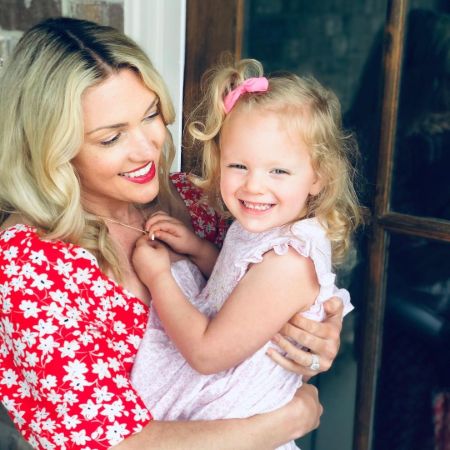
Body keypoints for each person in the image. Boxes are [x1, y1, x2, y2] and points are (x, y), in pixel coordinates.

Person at [0, 17, 345, 450]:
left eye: (150, 116)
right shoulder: (29, 262)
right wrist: (283, 423)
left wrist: (314, 343)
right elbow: (104, 443)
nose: (148, 149)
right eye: (111, 138)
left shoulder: (197, 200)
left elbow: (255, 331)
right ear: (51, 148)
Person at [131, 59, 361, 450]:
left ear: (319, 177)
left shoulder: (289, 261)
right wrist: (198, 249)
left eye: (278, 171)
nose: (253, 186)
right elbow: (237, 285)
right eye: (238, 165)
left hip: (238, 422)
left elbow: (207, 354)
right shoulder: (266, 226)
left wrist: (159, 278)